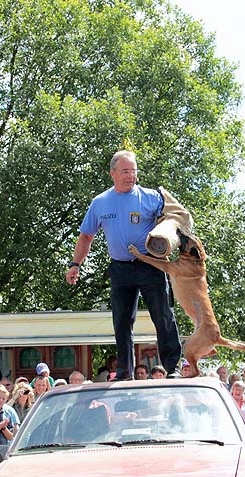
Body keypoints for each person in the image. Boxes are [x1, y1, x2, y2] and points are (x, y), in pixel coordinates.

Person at [66, 150, 182, 380]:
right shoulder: (100, 203)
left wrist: (172, 237)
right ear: (113, 173)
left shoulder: (151, 197)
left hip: (151, 264)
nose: (130, 176)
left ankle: (172, 368)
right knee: (121, 322)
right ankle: (123, 372)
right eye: (125, 171)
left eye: (134, 171)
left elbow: (174, 220)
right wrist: (75, 264)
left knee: (163, 316)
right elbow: (86, 236)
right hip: (120, 268)